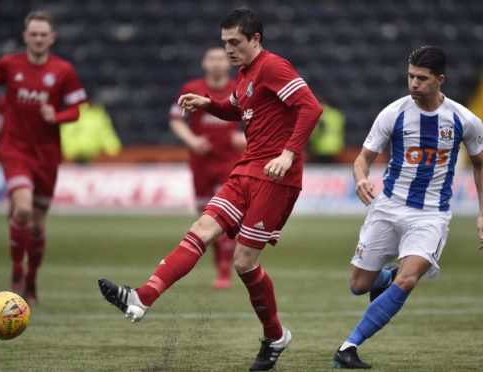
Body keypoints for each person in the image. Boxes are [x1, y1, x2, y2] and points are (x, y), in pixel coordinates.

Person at [98, 8, 322, 371]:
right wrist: (209, 104)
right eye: (224, 43)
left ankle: (275, 335)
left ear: (255, 40)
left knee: (244, 263)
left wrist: (287, 153)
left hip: (275, 176)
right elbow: (237, 108)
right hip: (247, 169)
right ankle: (141, 297)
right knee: (201, 229)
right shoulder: (245, 74)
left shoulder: (273, 66)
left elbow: (310, 108)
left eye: (235, 42)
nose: (229, 49)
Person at [332, 46, 483, 369]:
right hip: (388, 208)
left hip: (431, 215)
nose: (414, 84)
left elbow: (480, 165)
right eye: (410, 77)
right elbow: (363, 159)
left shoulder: (464, 120)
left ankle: (348, 347)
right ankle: (385, 277)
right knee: (358, 285)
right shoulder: (394, 113)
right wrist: (361, 179)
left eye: (422, 78)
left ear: (440, 80)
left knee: (408, 280)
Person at [0, 10, 86, 305]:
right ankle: (16, 274)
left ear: (52, 38)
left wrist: (58, 115)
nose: (38, 39)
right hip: (14, 147)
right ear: (25, 36)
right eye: (33, 34)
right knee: (23, 209)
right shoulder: (8, 64)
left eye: (43, 35)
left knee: (37, 224)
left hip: (47, 153)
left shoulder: (63, 70)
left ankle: (32, 279)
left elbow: (77, 110)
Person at [168, 46, 245, 289]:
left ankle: (224, 271)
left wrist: (244, 139)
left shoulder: (239, 88)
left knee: (221, 217)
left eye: (220, 58)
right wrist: (191, 140)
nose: (216, 63)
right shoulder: (192, 89)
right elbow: (175, 119)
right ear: (204, 63)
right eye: (211, 58)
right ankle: (219, 267)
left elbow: (259, 120)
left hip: (230, 162)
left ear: (228, 63)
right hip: (201, 162)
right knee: (204, 217)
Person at [309, 97, 345, 163]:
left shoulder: (318, 113)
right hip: (336, 147)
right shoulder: (336, 114)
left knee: (319, 171)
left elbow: (316, 131)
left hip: (320, 148)